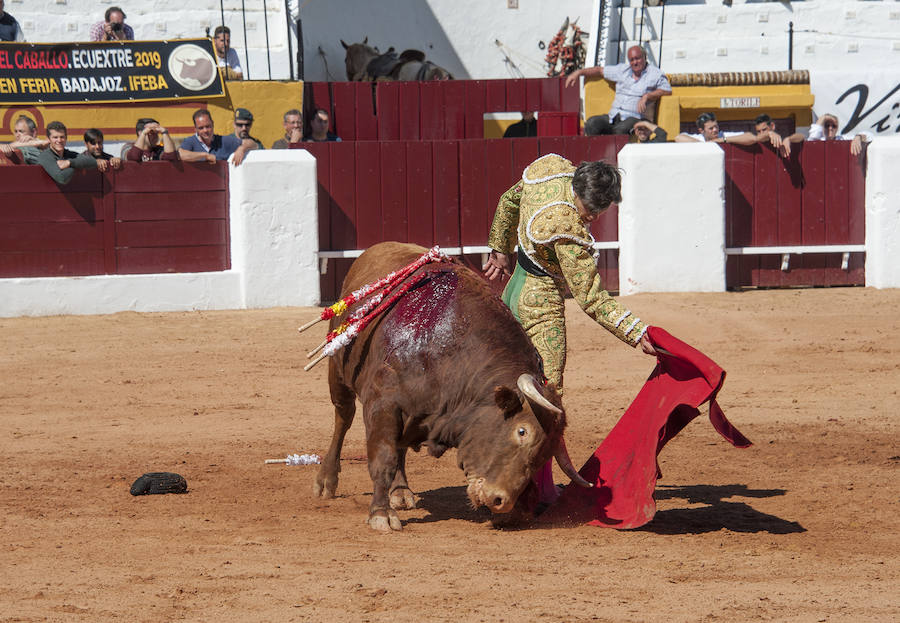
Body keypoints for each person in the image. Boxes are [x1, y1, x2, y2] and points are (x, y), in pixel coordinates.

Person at [483, 154, 657, 505]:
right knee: (547, 399)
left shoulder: (550, 173)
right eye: (589, 210)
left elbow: (508, 201)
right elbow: (592, 300)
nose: (590, 217)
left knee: (513, 389)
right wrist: (637, 332)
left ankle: (500, 468)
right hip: (541, 307)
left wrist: (499, 249)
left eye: (597, 211)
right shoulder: (566, 228)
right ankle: (539, 488)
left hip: (513, 292)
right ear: (578, 190)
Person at [565, 46, 671, 135]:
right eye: (632, 60)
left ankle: (616, 159)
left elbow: (667, 90)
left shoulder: (654, 74)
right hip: (613, 116)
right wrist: (578, 72)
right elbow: (599, 70)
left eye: (637, 58)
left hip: (634, 117)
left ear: (645, 57)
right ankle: (594, 157)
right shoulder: (622, 70)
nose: (635, 62)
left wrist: (647, 96)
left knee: (620, 130)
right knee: (592, 123)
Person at [675, 112, 789, 156]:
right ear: (701, 131)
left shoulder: (722, 135)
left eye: (716, 126)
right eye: (711, 128)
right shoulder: (698, 138)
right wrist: (707, 145)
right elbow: (678, 138)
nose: (715, 130)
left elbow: (751, 137)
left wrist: (721, 140)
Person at [178, 108, 257, 165]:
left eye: (208, 126)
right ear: (196, 129)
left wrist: (242, 148)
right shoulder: (190, 141)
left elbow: (253, 144)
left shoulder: (224, 141)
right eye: (201, 128)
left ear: (213, 124)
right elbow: (180, 155)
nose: (205, 130)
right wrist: (205, 156)